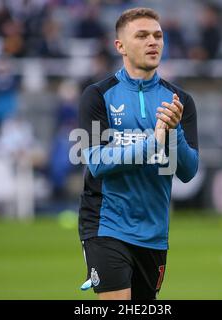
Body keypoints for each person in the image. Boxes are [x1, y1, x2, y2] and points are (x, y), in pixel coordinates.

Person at [78, 8, 199, 300]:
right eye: (142, 35)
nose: (153, 42)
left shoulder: (179, 101)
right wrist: (153, 142)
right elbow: (96, 162)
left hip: (154, 232)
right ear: (119, 46)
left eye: (158, 35)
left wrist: (174, 132)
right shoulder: (97, 95)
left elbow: (188, 171)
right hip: (106, 225)